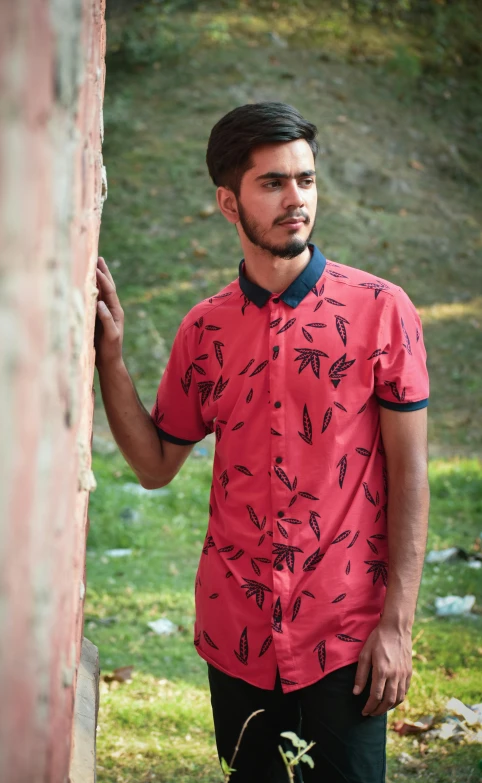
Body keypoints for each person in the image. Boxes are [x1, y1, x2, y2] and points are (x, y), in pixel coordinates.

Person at [95, 102, 430, 783]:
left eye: (305, 179)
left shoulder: (380, 310)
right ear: (229, 201)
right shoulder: (205, 330)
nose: (296, 199)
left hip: (347, 634)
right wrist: (112, 359)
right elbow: (157, 463)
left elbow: (411, 475)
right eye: (272, 183)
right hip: (237, 628)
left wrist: (397, 625)